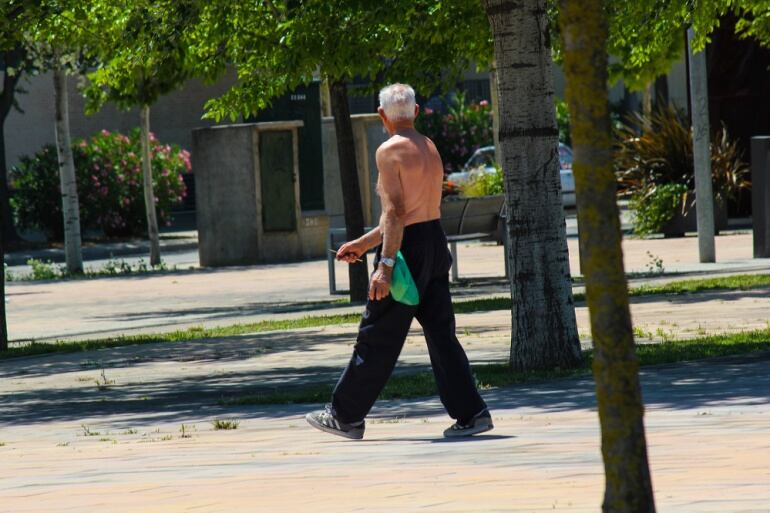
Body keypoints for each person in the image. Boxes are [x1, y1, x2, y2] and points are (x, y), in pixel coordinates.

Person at [305, 83, 491, 440]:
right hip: (434, 244)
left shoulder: (388, 151)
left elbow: (395, 212)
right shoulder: (430, 147)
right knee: (442, 336)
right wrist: (364, 243)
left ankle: (345, 416)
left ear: (381, 115)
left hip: (406, 252)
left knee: (377, 334)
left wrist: (384, 266)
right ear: (416, 113)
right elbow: (413, 216)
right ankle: (472, 413)